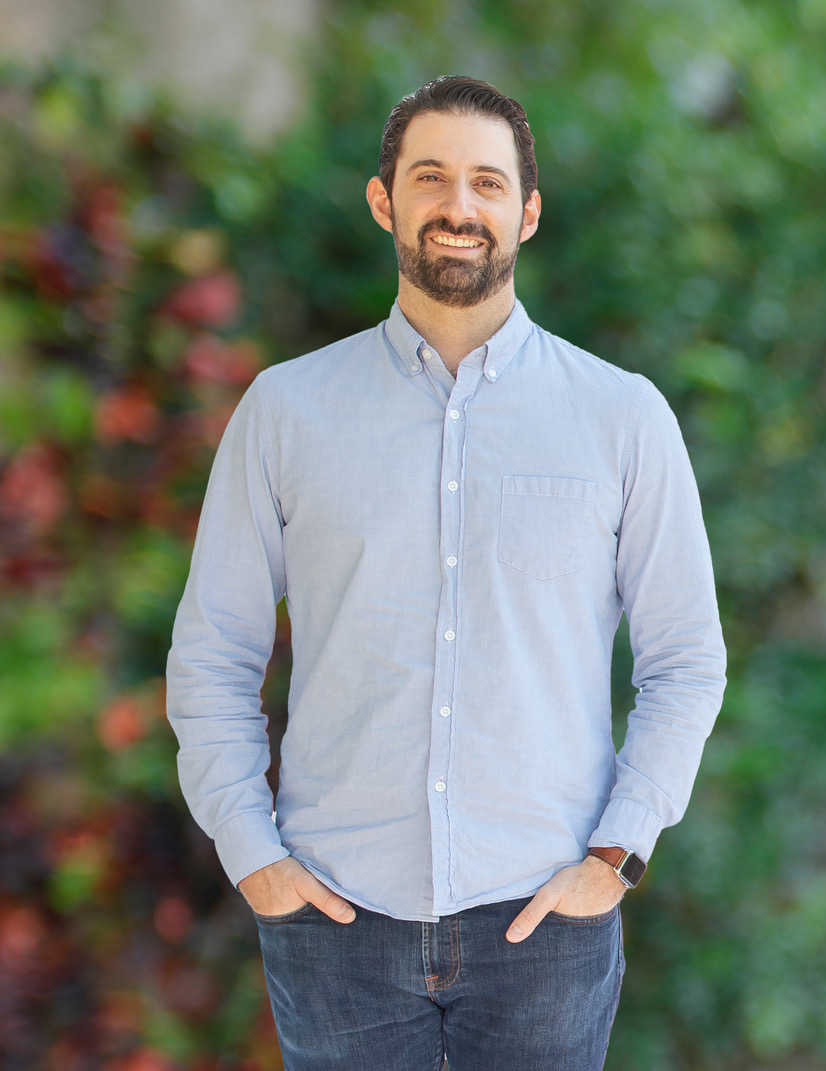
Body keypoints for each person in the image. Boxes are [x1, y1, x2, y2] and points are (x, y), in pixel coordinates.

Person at [166, 75, 726, 1071]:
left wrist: (619, 853)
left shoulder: (622, 417)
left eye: (487, 183)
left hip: (547, 921)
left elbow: (686, 661)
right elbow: (214, 653)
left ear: (528, 212)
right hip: (335, 919)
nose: (459, 207)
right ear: (385, 202)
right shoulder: (285, 413)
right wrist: (251, 853)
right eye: (431, 179)